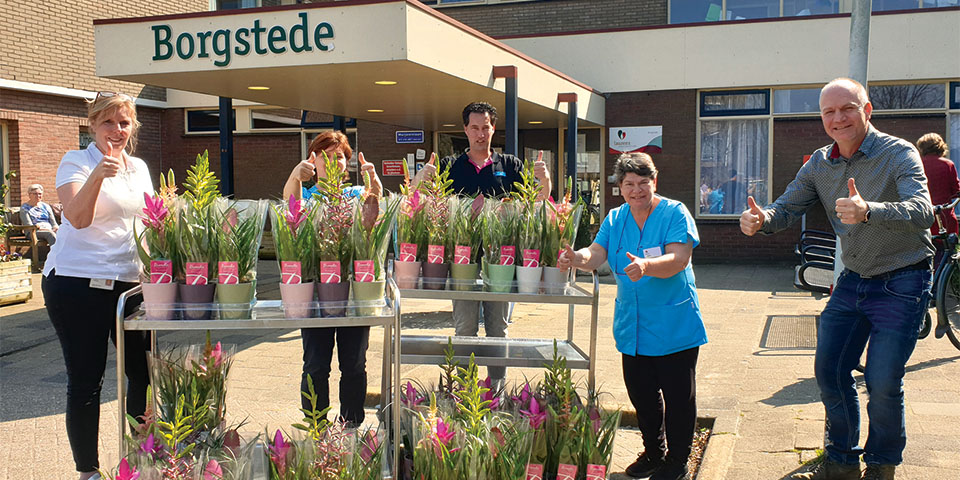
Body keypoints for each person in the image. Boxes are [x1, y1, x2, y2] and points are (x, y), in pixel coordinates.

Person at [741, 78, 933, 480]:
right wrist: (763, 221)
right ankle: (841, 460)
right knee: (829, 370)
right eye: (829, 111)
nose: (838, 118)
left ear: (867, 110)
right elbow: (787, 207)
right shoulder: (818, 164)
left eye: (847, 108)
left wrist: (870, 210)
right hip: (854, 278)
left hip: (903, 279)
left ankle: (881, 465)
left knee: (882, 381)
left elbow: (922, 211)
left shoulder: (899, 153)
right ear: (822, 118)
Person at [558, 152, 707, 480]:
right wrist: (576, 258)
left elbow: (679, 257)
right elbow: (596, 253)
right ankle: (654, 453)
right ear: (620, 187)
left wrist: (646, 265)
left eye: (643, 183)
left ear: (655, 182)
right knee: (641, 394)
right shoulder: (616, 218)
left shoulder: (674, 212)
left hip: (673, 324)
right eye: (629, 184)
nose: (636, 190)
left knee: (678, 397)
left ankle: (678, 460)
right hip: (633, 327)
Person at [41, 92, 154, 480]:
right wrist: (97, 174)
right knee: (88, 379)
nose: (117, 130)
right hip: (77, 284)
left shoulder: (139, 168)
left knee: (144, 373)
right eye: (109, 122)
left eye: (124, 123)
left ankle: (142, 459)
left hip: (130, 286)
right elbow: (76, 217)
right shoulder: (76, 161)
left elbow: (148, 224)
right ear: (92, 124)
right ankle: (88, 472)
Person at [415, 101, 551, 385]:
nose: (480, 133)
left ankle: (496, 389)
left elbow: (535, 203)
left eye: (485, 128)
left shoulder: (510, 165)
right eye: (474, 127)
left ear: (493, 129)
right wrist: (419, 179)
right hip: (462, 262)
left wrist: (545, 182)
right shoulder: (449, 166)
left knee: (497, 329)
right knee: (464, 327)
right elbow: (419, 203)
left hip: (500, 262)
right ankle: (464, 389)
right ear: (465, 129)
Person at [284, 130, 384, 426]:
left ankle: (351, 424)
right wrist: (294, 176)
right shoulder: (309, 196)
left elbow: (374, 214)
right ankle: (316, 425)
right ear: (313, 160)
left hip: (354, 293)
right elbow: (290, 214)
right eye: (324, 156)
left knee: (354, 364)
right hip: (316, 294)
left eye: (338, 156)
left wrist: (374, 183)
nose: (332, 162)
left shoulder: (355, 195)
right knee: (315, 365)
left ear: (347, 162)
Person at [916, 132, 958, 268]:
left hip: (922, 218)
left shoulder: (918, 165)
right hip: (944, 218)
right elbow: (956, 191)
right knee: (947, 256)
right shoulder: (947, 165)